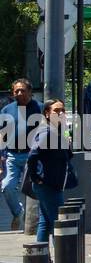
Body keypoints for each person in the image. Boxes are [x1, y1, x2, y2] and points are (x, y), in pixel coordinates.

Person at [26, 100, 75, 263]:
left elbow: (67, 156)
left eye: (63, 110)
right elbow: (32, 156)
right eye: (56, 111)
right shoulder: (47, 132)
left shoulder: (57, 132)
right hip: (48, 186)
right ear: (47, 113)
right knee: (58, 225)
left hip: (51, 184)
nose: (61, 113)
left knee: (46, 223)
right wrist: (35, 177)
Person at [1, 78, 41, 230]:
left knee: (35, 189)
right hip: (12, 156)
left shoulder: (39, 108)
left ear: (30, 92)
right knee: (7, 186)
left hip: (32, 156)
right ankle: (18, 212)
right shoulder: (7, 110)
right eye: (16, 90)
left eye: (22, 90)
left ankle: (39, 223)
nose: (19, 93)